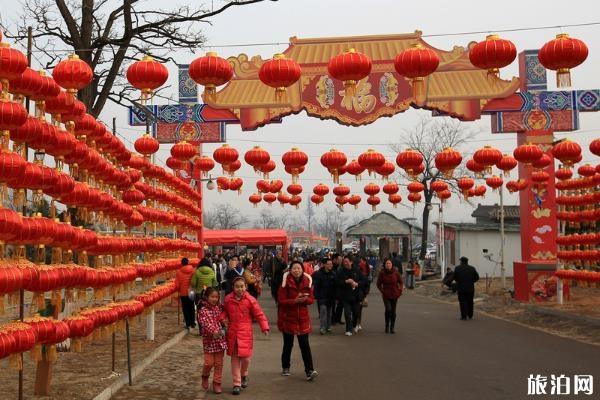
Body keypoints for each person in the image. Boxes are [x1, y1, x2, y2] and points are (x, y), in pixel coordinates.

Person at [222, 277, 270, 395]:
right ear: (233, 287)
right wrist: (222, 319)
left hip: (246, 332)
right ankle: (236, 383)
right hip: (233, 332)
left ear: (246, 287)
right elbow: (224, 312)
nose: (239, 289)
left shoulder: (250, 300)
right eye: (237, 286)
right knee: (234, 360)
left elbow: (259, 314)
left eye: (242, 286)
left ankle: (244, 374)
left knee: (246, 359)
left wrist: (264, 327)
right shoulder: (228, 299)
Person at [277, 261, 318, 380]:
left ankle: (309, 370)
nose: (296, 270)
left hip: (303, 318)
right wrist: (294, 301)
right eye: (294, 268)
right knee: (288, 344)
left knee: (305, 345)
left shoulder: (307, 281)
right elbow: (281, 300)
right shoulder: (285, 283)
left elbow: (311, 299)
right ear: (290, 270)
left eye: (299, 268)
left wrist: (305, 300)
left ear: (302, 270)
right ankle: (285, 367)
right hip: (288, 317)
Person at [198, 287, 227, 394]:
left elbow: (224, 319)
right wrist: (214, 331)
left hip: (220, 341)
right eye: (212, 297)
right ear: (207, 297)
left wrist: (225, 325)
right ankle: (205, 376)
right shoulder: (203, 310)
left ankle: (217, 383)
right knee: (208, 363)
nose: (214, 299)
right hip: (209, 342)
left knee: (219, 364)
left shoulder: (219, 308)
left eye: (216, 297)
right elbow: (205, 323)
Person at [336, 255, 365, 336]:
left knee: (356, 313)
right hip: (345, 296)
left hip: (356, 296)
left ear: (351, 262)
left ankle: (354, 324)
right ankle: (348, 329)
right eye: (344, 262)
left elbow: (364, 281)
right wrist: (346, 281)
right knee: (347, 313)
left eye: (347, 261)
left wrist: (357, 283)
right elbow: (337, 282)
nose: (345, 263)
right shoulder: (341, 271)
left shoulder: (357, 270)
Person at [376, 258, 403, 333]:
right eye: (387, 263)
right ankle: (387, 325)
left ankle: (392, 327)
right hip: (386, 294)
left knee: (393, 312)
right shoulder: (382, 273)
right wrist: (382, 291)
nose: (388, 265)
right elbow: (378, 284)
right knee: (388, 310)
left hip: (395, 294)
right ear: (385, 265)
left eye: (389, 263)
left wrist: (400, 290)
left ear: (392, 265)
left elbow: (401, 282)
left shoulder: (396, 273)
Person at [312, 258, 336, 334]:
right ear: (324, 265)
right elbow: (316, 286)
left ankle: (328, 327)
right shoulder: (319, 274)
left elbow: (336, 286)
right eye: (328, 264)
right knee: (323, 311)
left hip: (331, 296)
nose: (330, 265)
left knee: (329, 313)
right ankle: (322, 328)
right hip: (322, 296)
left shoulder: (333, 274)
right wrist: (316, 296)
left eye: (331, 264)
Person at [175, 257, 196, 330]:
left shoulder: (178, 272)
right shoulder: (193, 270)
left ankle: (188, 323)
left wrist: (178, 288)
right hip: (191, 292)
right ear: (188, 262)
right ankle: (193, 322)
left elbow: (177, 285)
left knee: (185, 308)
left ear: (182, 263)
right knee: (191, 307)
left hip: (183, 293)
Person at [331, 253, 344, 325]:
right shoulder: (331, 267)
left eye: (341, 259)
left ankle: (338, 319)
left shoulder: (340, 267)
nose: (340, 261)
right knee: (332, 305)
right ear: (334, 260)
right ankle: (333, 319)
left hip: (340, 289)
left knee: (340, 305)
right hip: (333, 289)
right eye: (339, 259)